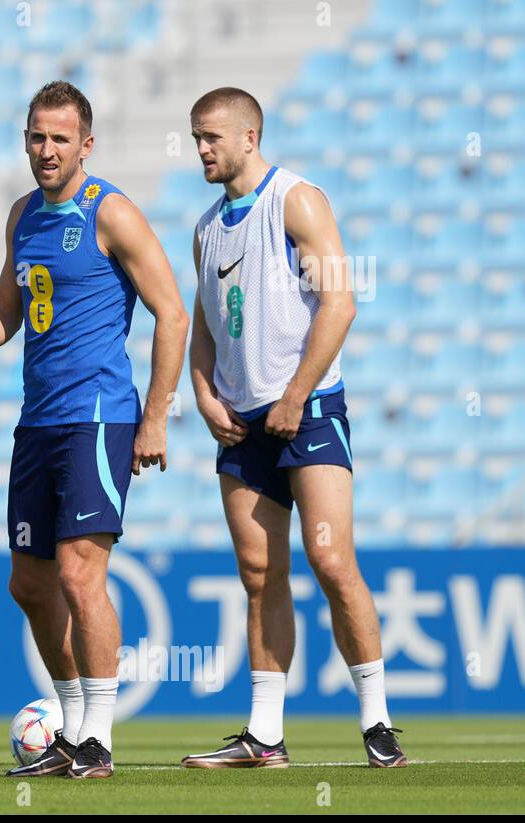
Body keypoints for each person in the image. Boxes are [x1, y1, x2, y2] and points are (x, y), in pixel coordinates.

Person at [0, 82, 189, 778]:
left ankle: (98, 742)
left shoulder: (111, 212)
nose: (47, 150)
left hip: (98, 418)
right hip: (38, 422)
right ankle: (72, 722)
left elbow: (172, 313)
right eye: (37, 136)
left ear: (87, 145)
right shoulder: (22, 215)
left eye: (60, 138)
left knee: (81, 575)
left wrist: (154, 416)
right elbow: (8, 308)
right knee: (30, 584)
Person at [182, 87, 406, 768]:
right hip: (240, 425)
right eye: (195, 138)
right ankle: (265, 735)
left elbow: (340, 303)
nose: (201, 149)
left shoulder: (296, 200)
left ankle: (378, 723)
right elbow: (203, 326)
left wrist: (295, 396)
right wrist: (203, 395)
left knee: (331, 560)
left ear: (249, 137)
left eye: (211, 137)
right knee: (259, 573)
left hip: (308, 412)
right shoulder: (205, 229)